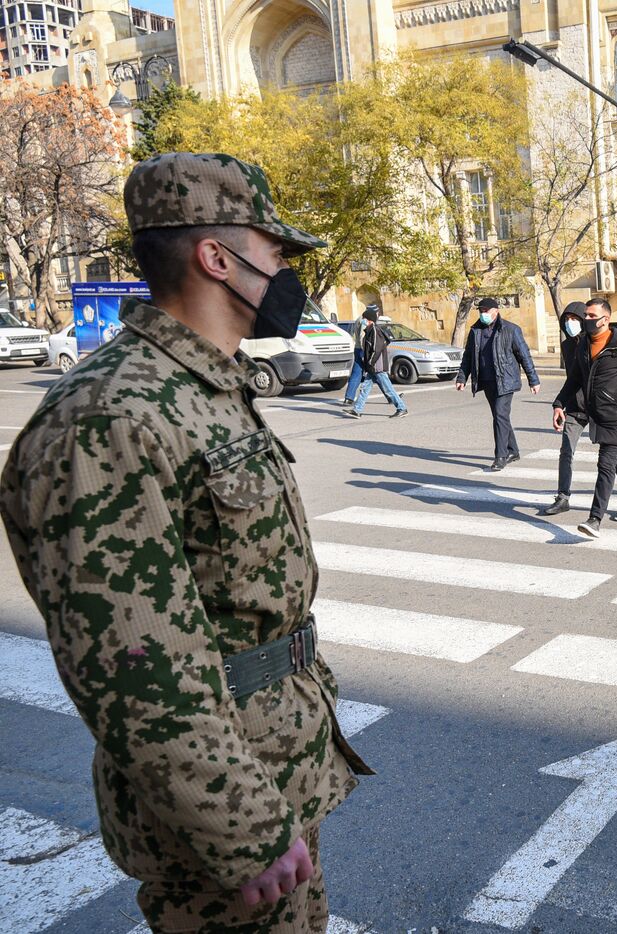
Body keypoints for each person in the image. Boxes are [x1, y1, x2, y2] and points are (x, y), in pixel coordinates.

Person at [0, 152, 372, 933]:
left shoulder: (203, 388)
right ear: (216, 258)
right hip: (224, 812)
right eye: (276, 256)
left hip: (274, 767)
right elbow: (135, 666)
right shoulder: (108, 415)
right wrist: (243, 833)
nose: (286, 278)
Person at [554, 298, 617, 537]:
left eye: (591, 316)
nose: (586, 320)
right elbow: (575, 379)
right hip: (596, 412)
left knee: (605, 464)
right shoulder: (582, 346)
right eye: (586, 316)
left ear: (605, 319)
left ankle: (594, 519)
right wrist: (559, 403)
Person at [455, 297, 540, 470]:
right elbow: (468, 356)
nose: (483, 314)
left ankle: (500, 456)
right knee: (500, 416)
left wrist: (534, 380)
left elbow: (524, 355)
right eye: (481, 311)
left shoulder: (510, 329)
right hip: (487, 381)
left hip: (506, 380)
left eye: (486, 311)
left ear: (496, 311)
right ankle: (513, 450)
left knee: (500, 415)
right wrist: (462, 377)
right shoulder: (475, 330)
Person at [345, 306, 407, 419]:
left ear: (369, 320)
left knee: (388, 389)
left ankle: (402, 408)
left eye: (364, 318)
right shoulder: (370, 330)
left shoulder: (374, 330)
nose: (362, 320)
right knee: (365, 388)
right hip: (373, 366)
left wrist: (370, 363)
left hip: (377, 366)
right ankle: (357, 410)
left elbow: (376, 349)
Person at [340, 305, 369, 405]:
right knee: (379, 374)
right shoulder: (365, 321)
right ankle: (391, 397)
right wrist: (364, 352)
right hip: (363, 349)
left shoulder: (359, 319)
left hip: (357, 349)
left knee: (356, 374)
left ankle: (349, 398)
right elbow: (362, 337)